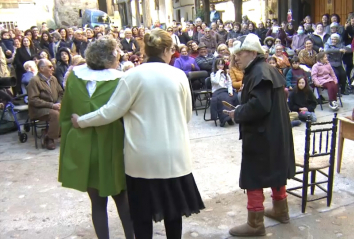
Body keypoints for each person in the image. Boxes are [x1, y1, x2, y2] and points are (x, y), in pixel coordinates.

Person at [71, 29, 204, 238]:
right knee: (173, 213)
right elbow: (186, 115)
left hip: (142, 158)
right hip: (175, 155)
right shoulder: (179, 75)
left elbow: (111, 111)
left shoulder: (132, 76)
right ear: (167, 50)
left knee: (141, 216)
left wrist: (82, 121)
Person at [58, 36, 134, 239]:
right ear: (110, 57)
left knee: (97, 204)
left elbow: (66, 114)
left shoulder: (74, 77)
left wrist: (68, 147)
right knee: (123, 200)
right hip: (114, 147)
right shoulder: (121, 79)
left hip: (84, 148)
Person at [225, 34, 295, 237]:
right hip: (274, 133)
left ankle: (255, 223)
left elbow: (260, 106)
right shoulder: (266, 70)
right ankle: (281, 211)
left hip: (262, 136)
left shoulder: (259, 72)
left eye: (240, 53)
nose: (236, 57)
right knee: (275, 170)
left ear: (253, 53)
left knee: (253, 176)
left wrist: (237, 113)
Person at [27, 59, 63, 150]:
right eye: (50, 66)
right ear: (42, 68)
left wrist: (59, 103)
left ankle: (51, 133)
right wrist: (51, 105)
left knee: (66, 110)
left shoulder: (53, 79)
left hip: (54, 106)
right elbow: (33, 100)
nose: (52, 68)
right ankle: (49, 138)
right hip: (38, 109)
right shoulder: (34, 81)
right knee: (55, 114)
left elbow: (61, 93)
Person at [210, 58, 238, 127]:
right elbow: (216, 82)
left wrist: (230, 91)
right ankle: (225, 118)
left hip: (225, 90)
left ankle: (233, 116)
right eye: (218, 64)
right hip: (217, 91)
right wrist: (219, 72)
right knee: (223, 98)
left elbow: (229, 83)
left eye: (222, 64)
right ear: (216, 65)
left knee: (234, 96)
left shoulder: (226, 74)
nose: (220, 66)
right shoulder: (213, 74)